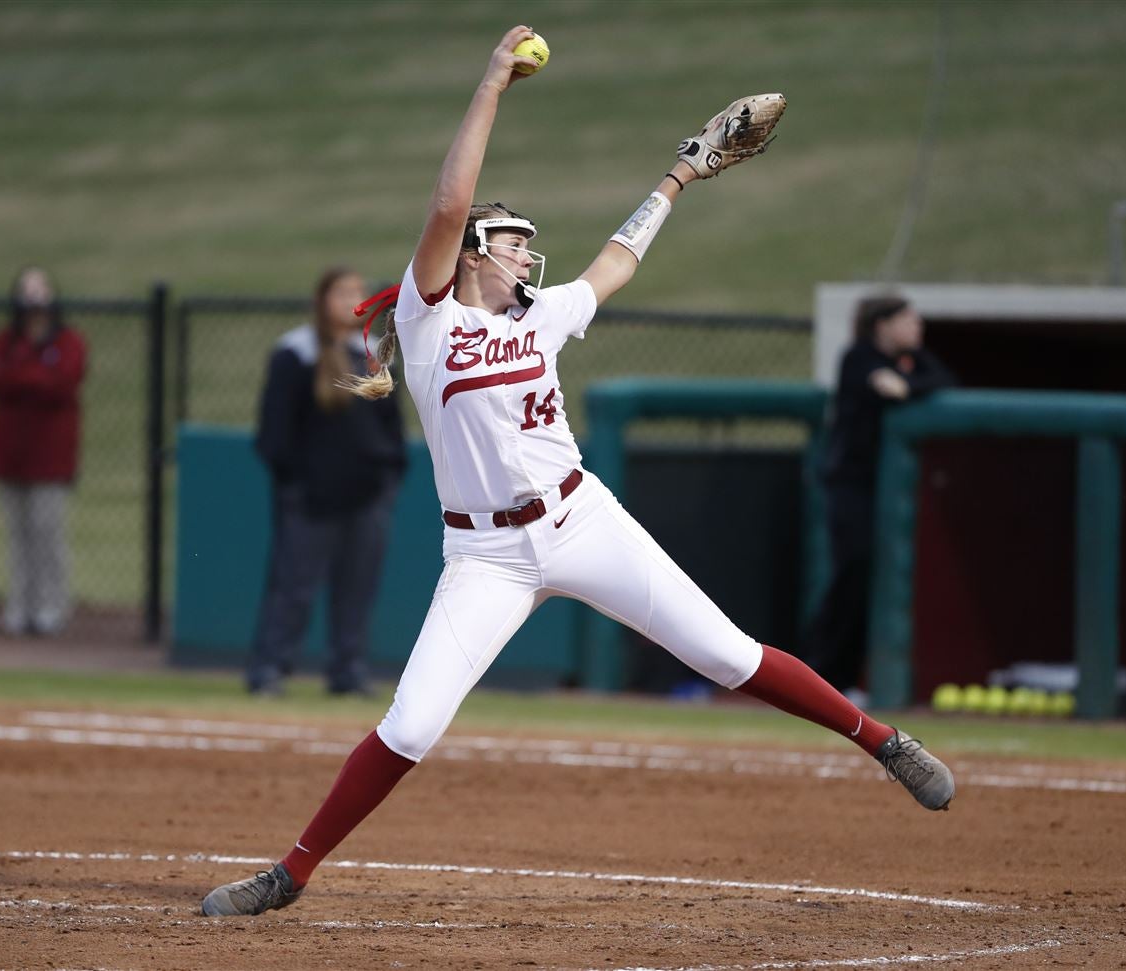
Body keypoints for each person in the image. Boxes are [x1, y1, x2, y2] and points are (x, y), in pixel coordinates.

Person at [202, 26, 955, 918]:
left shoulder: (545, 314)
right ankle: (290, 872)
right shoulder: (429, 322)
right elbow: (449, 206)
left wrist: (680, 176)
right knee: (408, 725)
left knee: (728, 654)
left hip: (580, 520)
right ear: (475, 254)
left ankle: (884, 741)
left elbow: (619, 259)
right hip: (483, 556)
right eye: (513, 243)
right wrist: (491, 81)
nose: (528, 255)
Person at [247, 267, 406, 697]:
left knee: (357, 590)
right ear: (321, 300)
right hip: (311, 497)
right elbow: (274, 433)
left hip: (367, 494)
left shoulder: (373, 351)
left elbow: (391, 426)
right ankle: (270, 669)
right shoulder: (296, 353)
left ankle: (347, 672)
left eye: (358, 292)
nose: (351, 300)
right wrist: (295, 484)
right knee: (293, 588)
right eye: (341, 293)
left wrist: (388, 474)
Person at [802, 296, 956, 704]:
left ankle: (846, 678)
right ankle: (821, 673)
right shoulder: (858, 357)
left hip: (881, 492)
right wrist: (901, 387)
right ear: (882, 325)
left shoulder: (912, 361)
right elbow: (883, 389)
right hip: (848, 486)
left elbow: (942, 381)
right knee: (850, 572)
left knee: (870, 579)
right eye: (906, 320)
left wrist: (909, 386)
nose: (916, 328)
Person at [0, 267, 87, 637]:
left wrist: (21, 377)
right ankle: (20, 606)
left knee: (47, 533)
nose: (33, 300)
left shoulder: (68, 342)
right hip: (11, 453)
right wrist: (31, 375)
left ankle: (51, 607)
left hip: (51, 457)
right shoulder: (6, 341)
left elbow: (62, 383)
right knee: (17, 536)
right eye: (27, 290)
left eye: (40, 290)